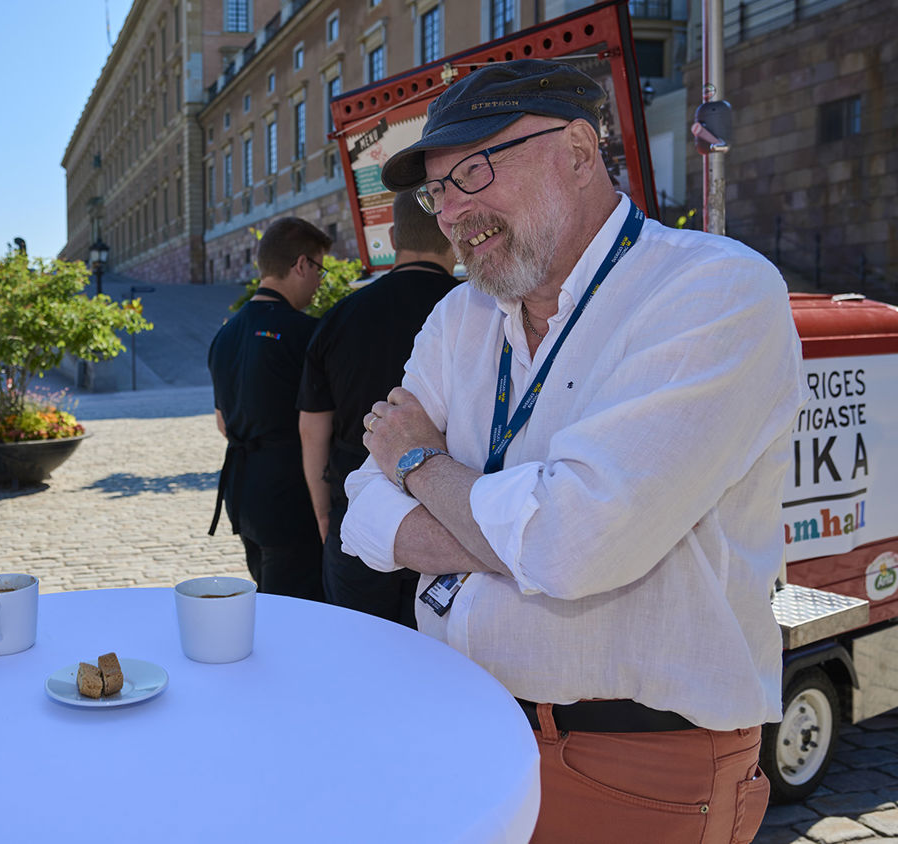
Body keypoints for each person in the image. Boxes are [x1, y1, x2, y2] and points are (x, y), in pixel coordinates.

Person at [341, 59, 800, 842]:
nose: (453, 211)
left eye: (475, 172)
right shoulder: (462, 317)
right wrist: (513, 539)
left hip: (632, 761)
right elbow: (362, 503)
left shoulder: (712, 290)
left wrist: (421, 465)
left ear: (580, 153)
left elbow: (572, 542)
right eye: (439, 190)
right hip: (461, 719)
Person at [297, 190, 459, 624]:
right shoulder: (475, 313)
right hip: (449, 526)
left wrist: (323, 513)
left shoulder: (340, 316)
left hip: (361, 516)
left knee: (361, 663)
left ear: (391, 236)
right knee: (444, 672)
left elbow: (312, 430)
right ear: (453, 233)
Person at [207, 217, 331, 601]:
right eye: (319, 269)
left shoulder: (225, 333)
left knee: (270, 597)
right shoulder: (306, 332)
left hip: (243, 493)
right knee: (299, 611)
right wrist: (325, 512)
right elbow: (317, 429)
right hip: (292, 495)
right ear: (301, 265)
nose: (319, 281)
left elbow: (223, 424)